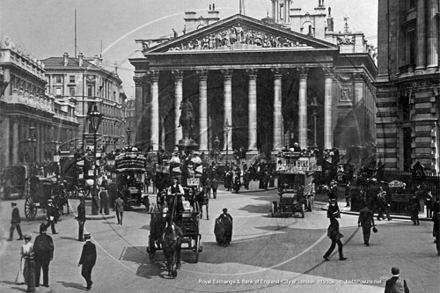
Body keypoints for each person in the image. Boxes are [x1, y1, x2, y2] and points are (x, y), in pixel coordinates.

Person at [33, 223, 54, 288]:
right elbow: (52, 248)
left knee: (37, 271)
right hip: (46, 257)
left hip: (38, 257)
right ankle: (45, 283)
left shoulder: (37, 238)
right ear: (46, 230)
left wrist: (34, 256)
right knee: (45, 270)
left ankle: (36, 283)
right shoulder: (49, 238)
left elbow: (34, 248)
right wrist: (51, 256)